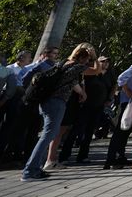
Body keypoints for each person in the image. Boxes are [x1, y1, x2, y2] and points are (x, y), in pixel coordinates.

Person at [22, 45, 98, 181]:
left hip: (47, 102)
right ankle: (29, 171)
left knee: (47, 135)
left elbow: (72, 83)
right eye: (87, 60)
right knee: (47, 136)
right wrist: (95, 56)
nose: (87, 63)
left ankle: (35, 168)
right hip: (56, 103)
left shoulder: (64, 63)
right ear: (82, 58)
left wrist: (81, 92)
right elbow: (96, 70)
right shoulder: (77, 66)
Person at [58, 56, 114, 164]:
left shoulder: (109, 74)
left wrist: (109, 98)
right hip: (85, 106)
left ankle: (83, 155)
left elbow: (114, 85)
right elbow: (80, 84)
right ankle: (64, 155)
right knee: (76, 131)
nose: (105, 63)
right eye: (103, 61)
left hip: (99, 106)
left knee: (90, 132)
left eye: (107, 61)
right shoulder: (88, 73)